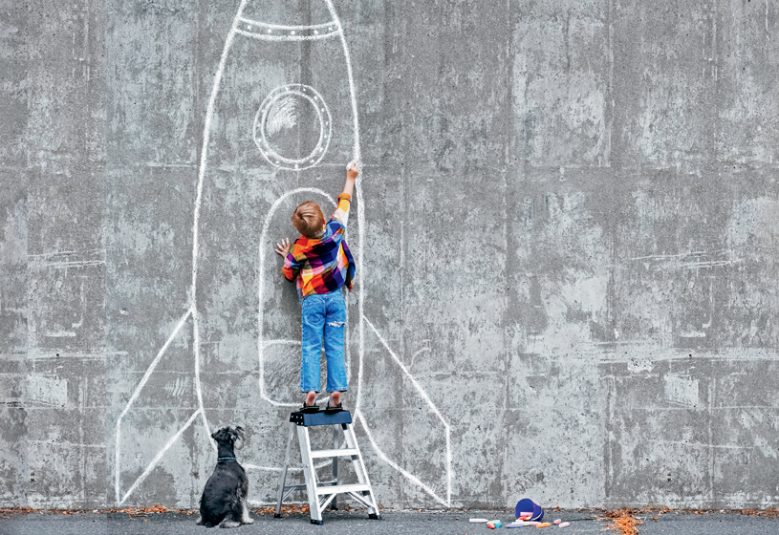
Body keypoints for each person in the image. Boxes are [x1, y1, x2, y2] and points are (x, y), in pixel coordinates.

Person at [274, 162, 359, 412]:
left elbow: (289, 273)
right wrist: (350, 177)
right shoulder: (335, 231)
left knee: (311, 346)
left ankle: (311, 391)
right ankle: (335, 392)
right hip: (335, 300)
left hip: (312, 301)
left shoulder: (300, 247)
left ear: (301, 230)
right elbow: (345, 204)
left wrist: (288, 254)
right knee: (334, 345)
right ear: (324, 218)